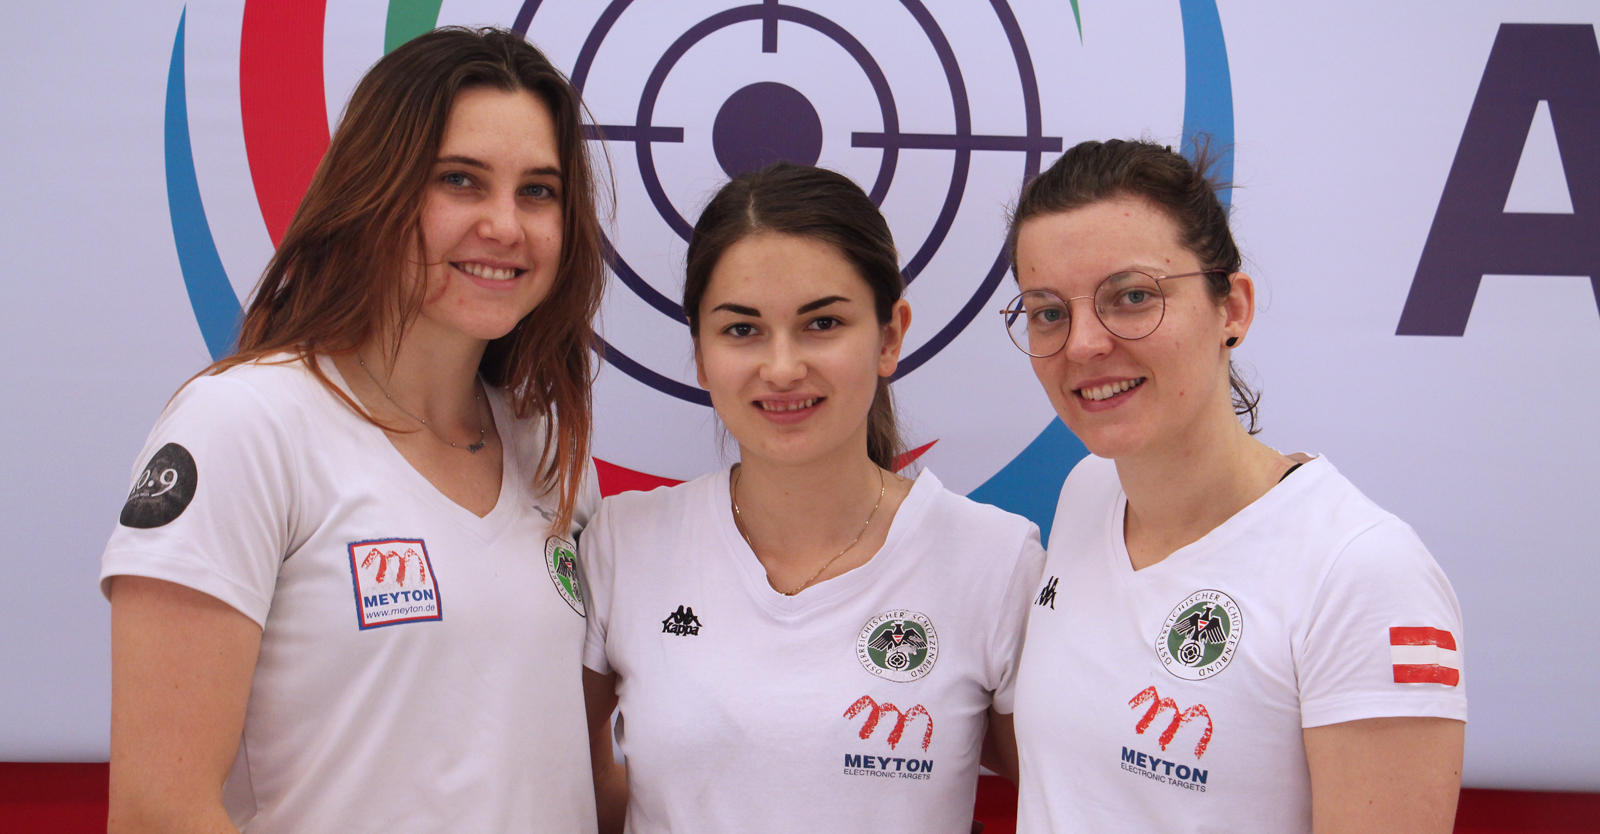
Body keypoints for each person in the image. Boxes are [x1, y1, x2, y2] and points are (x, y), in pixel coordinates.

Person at [102, 27, 606, 833]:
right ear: (375, 189)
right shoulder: (246, 423)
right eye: (460, 181)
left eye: (538, 191)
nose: (506, 226)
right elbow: (157, 811)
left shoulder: (548, 450)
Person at [1002, 139, 1466, 833]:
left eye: (1132, 297)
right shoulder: (1087, 492)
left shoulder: (1362, 572)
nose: (1084, 344)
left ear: (1233, 309)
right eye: (1048, 311)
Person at [580, 162, 1045, 834]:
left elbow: (1069, 799)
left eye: (822, 323)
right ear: (701, 353)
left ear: (890, 335)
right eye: (742, 329)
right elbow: (557, 771)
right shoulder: (625, 543)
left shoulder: (994, 563)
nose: (782, 367)